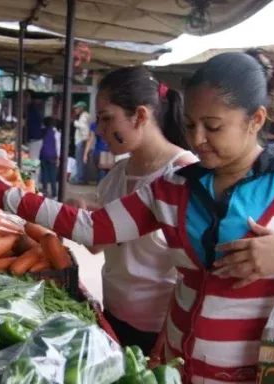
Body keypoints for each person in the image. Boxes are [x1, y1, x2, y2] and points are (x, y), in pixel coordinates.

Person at [0, 49, 274, 382]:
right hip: (179, 367)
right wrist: (8, 196)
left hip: (262, 372)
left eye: (213, 126)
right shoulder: (175, 187)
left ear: (255, 120)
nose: (197, 139)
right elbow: (93, 228)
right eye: (191, 124)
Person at [65, 67, 196, 354]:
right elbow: (99, 244)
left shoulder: (185, 176)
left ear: (139, 116)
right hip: (113, 317)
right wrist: (85, 215)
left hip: (163, 334)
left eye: (107, 118)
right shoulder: (118, 173)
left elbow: (195, 275)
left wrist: (169, 337)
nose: (99, 130)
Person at [39, 116, 61, 198]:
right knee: (53, 176)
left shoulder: (43, 132)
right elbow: (58, 146)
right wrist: (58, 158)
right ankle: (54, 193)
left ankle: (44, 192)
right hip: (52, 157)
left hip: (43, 155)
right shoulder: (57, 133)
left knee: (44, 174)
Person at [70, 101, 91, 184]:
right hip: (82, 141)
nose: (75, 109)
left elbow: (84, 127)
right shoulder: (84, 116)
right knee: (82, 161)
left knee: (80, 161)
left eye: (77, 108)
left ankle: (80, 179)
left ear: (82, 108)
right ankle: (82, 179)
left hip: (81, 141)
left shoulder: (84, 116)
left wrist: (74, 122)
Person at [25, 90, 45, 160]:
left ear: (31, 99)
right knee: (32, 160)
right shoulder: (29, 109)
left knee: (33, 161)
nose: (24, 99)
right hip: (33, 139)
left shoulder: (33, 109)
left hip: (35, 140)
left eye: (26, 97)